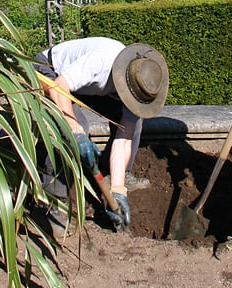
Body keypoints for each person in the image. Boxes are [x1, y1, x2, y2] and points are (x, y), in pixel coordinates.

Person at [34, 37, 169, 230]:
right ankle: (51, 200)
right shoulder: (101, 62)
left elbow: (123, 141)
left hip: (87, 87)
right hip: (50, 72)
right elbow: (58, 87)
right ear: (125, 83)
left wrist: (118, 189)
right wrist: (77, 133)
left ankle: (112, 174)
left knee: (134, 123)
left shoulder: (138, 91)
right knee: (75, 127)